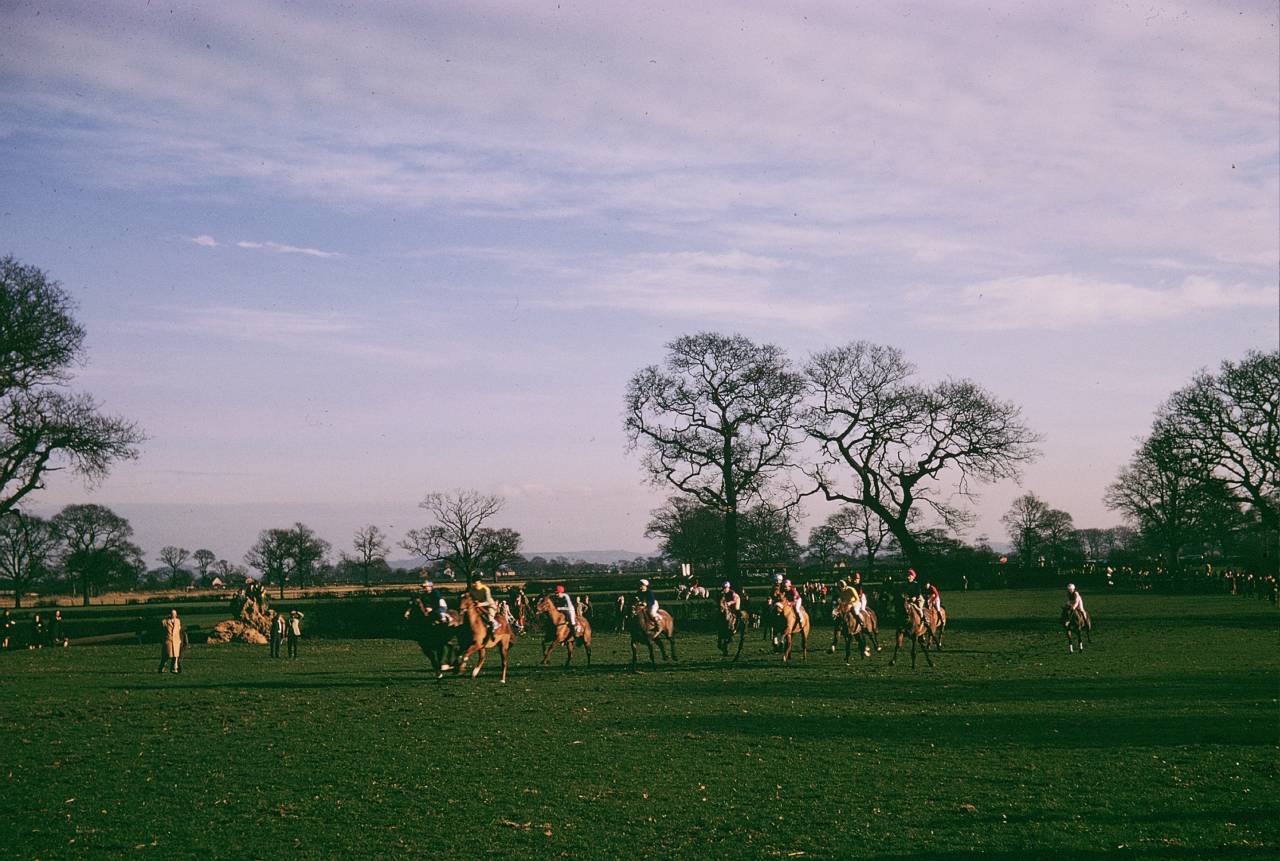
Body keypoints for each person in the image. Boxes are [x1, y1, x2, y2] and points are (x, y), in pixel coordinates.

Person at [468, 574, 499, 641]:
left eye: (476, 582)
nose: (475, 584)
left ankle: (494, 627)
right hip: (477, 606)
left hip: (489, 606)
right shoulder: (472, 589)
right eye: (474, 582)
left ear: (480, 581)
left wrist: (480, 604)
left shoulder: (486, 589)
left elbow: (489, 601)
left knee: (489, 617)